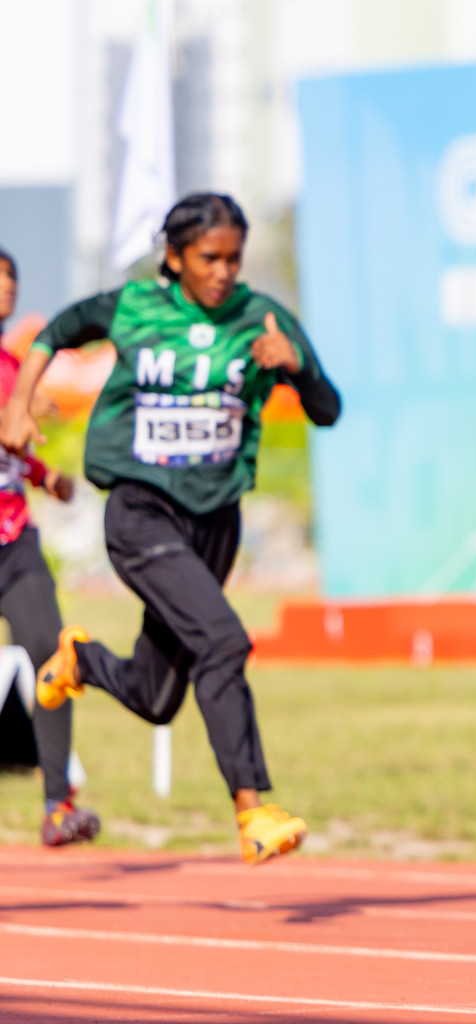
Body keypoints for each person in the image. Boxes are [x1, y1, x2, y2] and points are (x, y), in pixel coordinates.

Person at [0, 195, 342, 865]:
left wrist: (295, 366)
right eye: (209, 258)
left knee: (157, 698)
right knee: (223, 640)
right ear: (177, 257)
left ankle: (81, 660)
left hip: (215, 522)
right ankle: (253, 810)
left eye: (234, 259)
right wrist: (17, 402)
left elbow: (327, 408)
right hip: (140, 512)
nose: (223, 271)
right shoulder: (135, 306)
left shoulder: (261, 319)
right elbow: (59, 329)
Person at [0, 247, 100, 846]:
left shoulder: (16, 369)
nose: (5, 289)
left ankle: (58, 803)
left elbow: (11, 448)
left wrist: (44, 476)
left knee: (53, 657)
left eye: (11, 279)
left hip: (13, 541)